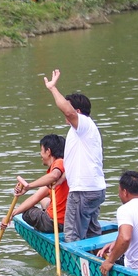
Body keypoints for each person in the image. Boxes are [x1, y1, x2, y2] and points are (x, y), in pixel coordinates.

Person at [44, 69, 105, 242]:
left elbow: (69, 113)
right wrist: (61, 181)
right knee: (92, 234)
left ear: (77, 111)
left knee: (72, 236)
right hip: (94, 189)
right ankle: (97, 261)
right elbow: (74, 163)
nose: (65, 113)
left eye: (68, 108)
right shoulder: (78, 131)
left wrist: (53, 88)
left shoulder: (83, 123)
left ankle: (75, 267)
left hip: (83, 192)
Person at [2, 134, 68, 234]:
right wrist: (10, 214)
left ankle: (45, 222)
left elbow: (54, 175)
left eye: (41, 150)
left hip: (55, 223)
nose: (40, 154)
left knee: (27, 212)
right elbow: (36, 197)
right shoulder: (67, 169)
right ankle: (47, 213)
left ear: (48, 151)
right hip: (69, 222)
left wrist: (29, 186)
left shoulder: (60, 162)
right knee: (43, 199)